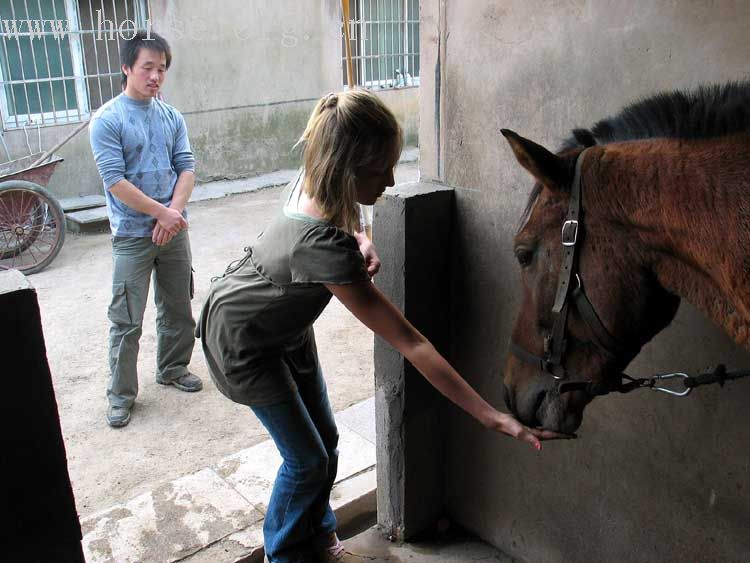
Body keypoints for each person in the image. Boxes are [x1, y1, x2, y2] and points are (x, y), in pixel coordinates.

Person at [197, 89, 566, 563]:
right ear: (345, 169)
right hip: (243, 339)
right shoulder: (322, 248)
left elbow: (344, 216)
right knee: (307, 460)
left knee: (325, 441)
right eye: (379, 171)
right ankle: (284, 555)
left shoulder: (317, 180)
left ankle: (320, 539)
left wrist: (363, 238)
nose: (391, 181)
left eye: (394, 163)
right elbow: (412, 343)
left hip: (282, 318)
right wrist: (492, 417)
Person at [90, 30, 202, 429]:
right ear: (127, 69)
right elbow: (114, 181)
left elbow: (186, 166)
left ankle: (173, 368)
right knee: (126, 320)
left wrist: (173, 213)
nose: (155, 76)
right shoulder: (107, 120)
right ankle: (120, 396)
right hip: (131, 238)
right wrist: (163, 214)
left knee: (177, 307)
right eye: (147, 68)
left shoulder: (172, 116)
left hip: (173, 231)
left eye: (162, 69)